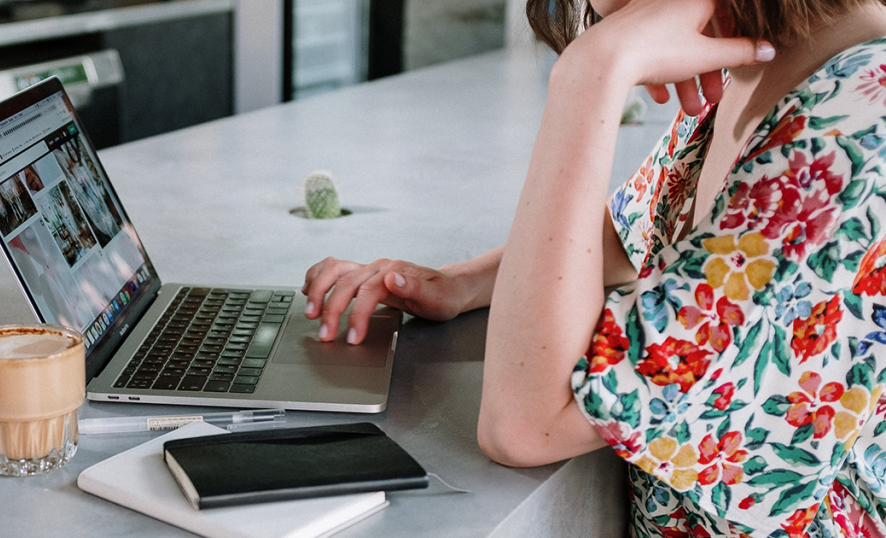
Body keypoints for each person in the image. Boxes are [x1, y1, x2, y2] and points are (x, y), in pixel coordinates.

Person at [302, 0, 886, 535]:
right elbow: (636, 231)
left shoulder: (852, 132)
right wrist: (462, 283)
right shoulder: (774, 56)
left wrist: (593, 72)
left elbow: (525, 424)